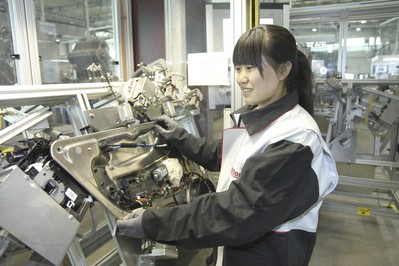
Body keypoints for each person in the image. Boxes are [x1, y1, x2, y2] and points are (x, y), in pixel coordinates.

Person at [117, 24, 339, 266]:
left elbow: (238, 212)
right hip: (234, 250)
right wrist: (178, 136)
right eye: (238, 68)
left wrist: (153, 223)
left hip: (265, 255)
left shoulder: (297, 140)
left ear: (284, 69)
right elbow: (226, 155)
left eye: (251, 67)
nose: (241, 78)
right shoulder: (259, 115)